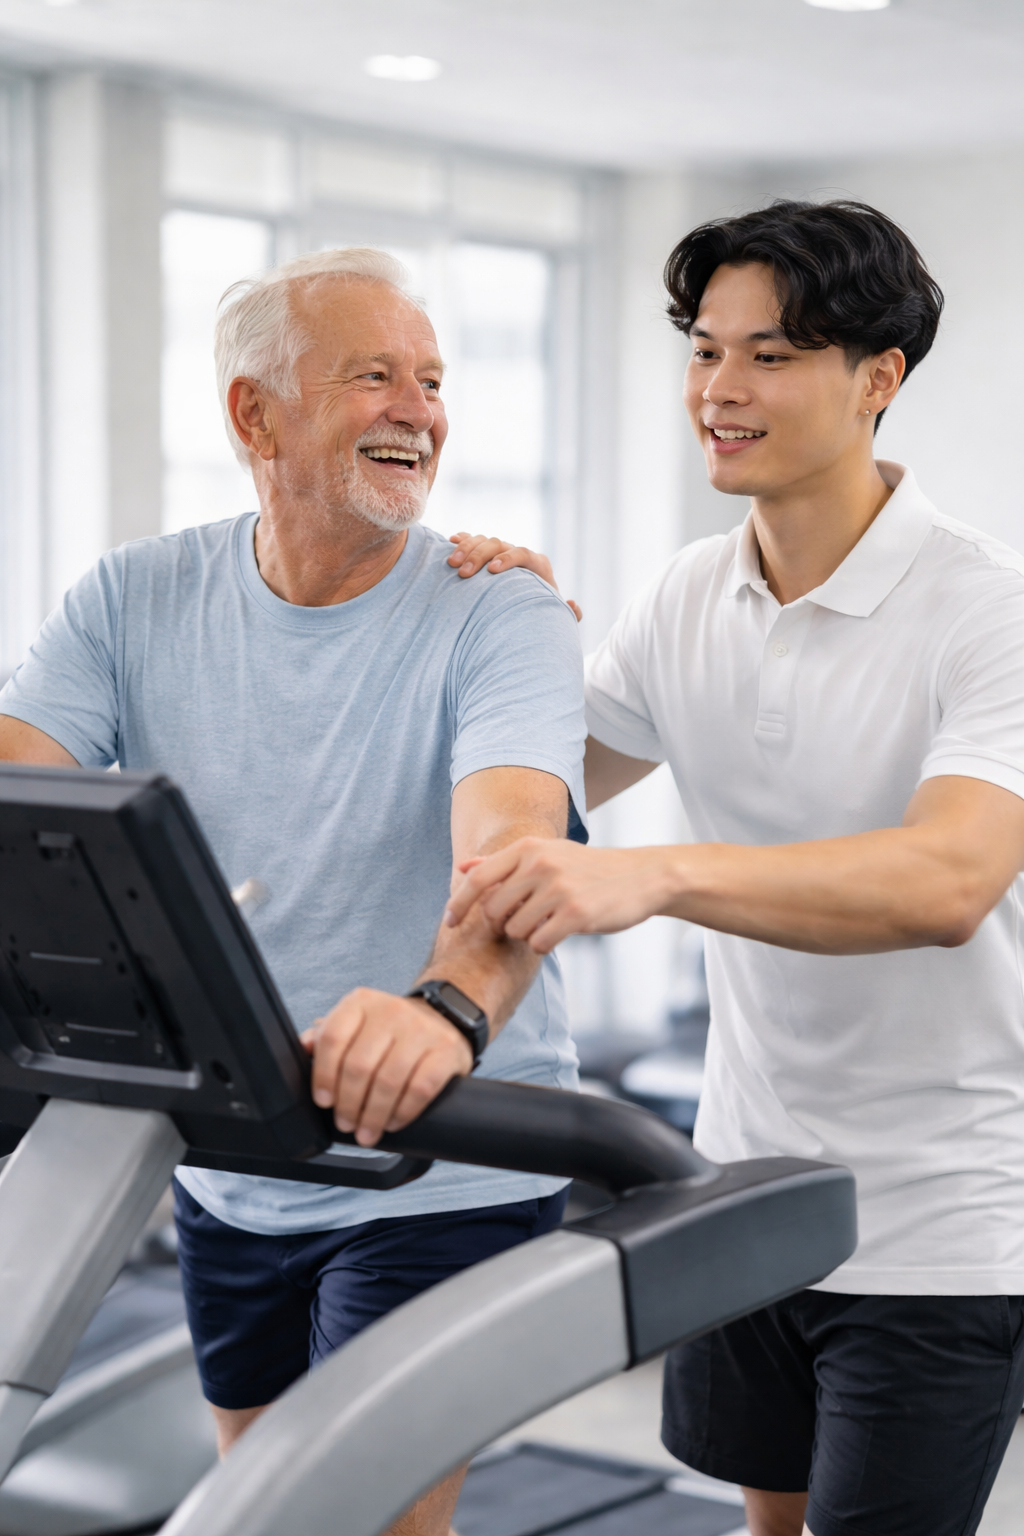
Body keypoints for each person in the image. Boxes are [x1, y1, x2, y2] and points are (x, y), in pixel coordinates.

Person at [445, 201, 1024, 1536]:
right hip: (746, 1183)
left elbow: (946, 881)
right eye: (705, 352)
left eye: (768, 354)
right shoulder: (683, 597)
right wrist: (495, 635)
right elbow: (521, 788)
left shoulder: (987, 611)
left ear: (879, 377)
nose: (719, 390)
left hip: (942, 1220)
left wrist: (653, 878)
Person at [0, 247, 587, 1536]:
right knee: (262, 1508)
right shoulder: (130, 596)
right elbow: (15, 803)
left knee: (356, 1519)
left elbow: (513, 846)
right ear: (252, 414)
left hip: (445, 1160)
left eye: (431, 381)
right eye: (373, 374)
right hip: (233, 1160)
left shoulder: (503, 612)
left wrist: (444, 1009)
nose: (418, 409)